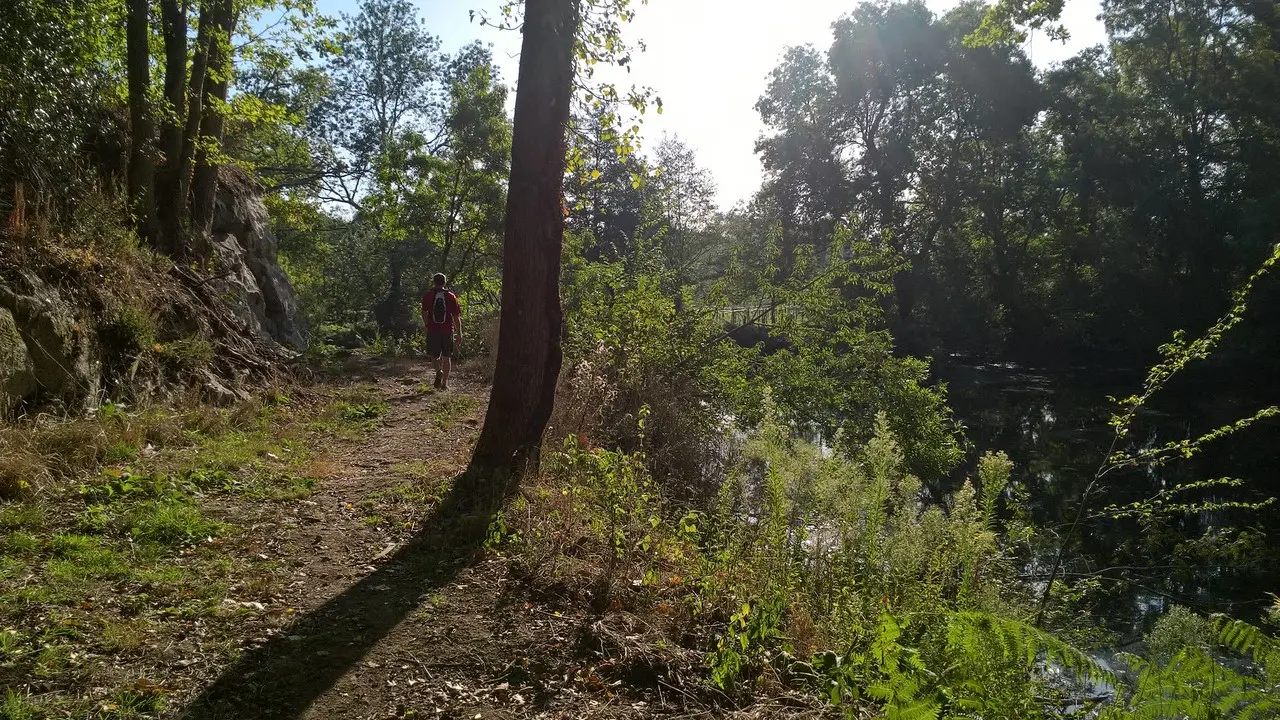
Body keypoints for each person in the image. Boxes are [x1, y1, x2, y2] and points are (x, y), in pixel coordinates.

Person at [422, 273, 462, 390]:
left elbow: (424, 312)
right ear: (444, 282)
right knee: (446, 356)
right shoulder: (451, 296)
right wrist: (459, 333)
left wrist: (426, 325)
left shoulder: (428, 295)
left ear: (434, 282)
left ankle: (438, 370)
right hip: (447, 330)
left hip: (433, 329)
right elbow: (456, 316)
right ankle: (445, 383)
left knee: (434, 355)